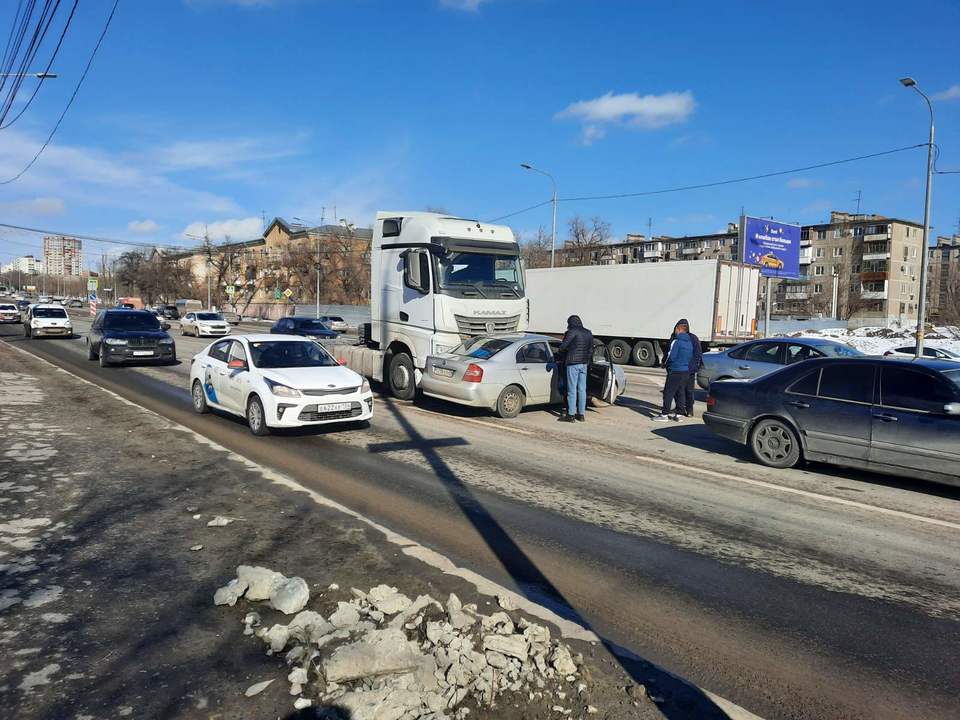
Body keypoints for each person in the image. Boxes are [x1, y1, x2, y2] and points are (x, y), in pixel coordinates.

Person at [653, 319, 694, 422]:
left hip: (675, 370)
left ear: (678, 329)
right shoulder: (689, 342)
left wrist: (664, 364)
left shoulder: (676, 342)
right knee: (680, 392)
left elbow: (671, 356)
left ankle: (664, 415)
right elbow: (690, 357)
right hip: (685, 370)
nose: (675, 330)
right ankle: (679, 414)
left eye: (676, 328)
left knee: (668, 392)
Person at [557, 314, 593, 423]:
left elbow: (563, 346)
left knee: (571, 390)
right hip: (584, 364)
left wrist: (561, 352)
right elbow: (591, 350)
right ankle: (581, 415)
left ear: (570, 323)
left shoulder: (572, 331)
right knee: (582, 390)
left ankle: (570, 415)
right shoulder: (588, 332)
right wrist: (586, 360)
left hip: (572, 363)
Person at [684, 319, 703, 417]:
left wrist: (694, 366)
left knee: (688, 390)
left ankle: (689, 409)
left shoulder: (692, 338)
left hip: (689, 369)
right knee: (679, 390)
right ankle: (681, 407)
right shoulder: (676, 337)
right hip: (681, 368)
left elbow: (697, 353)